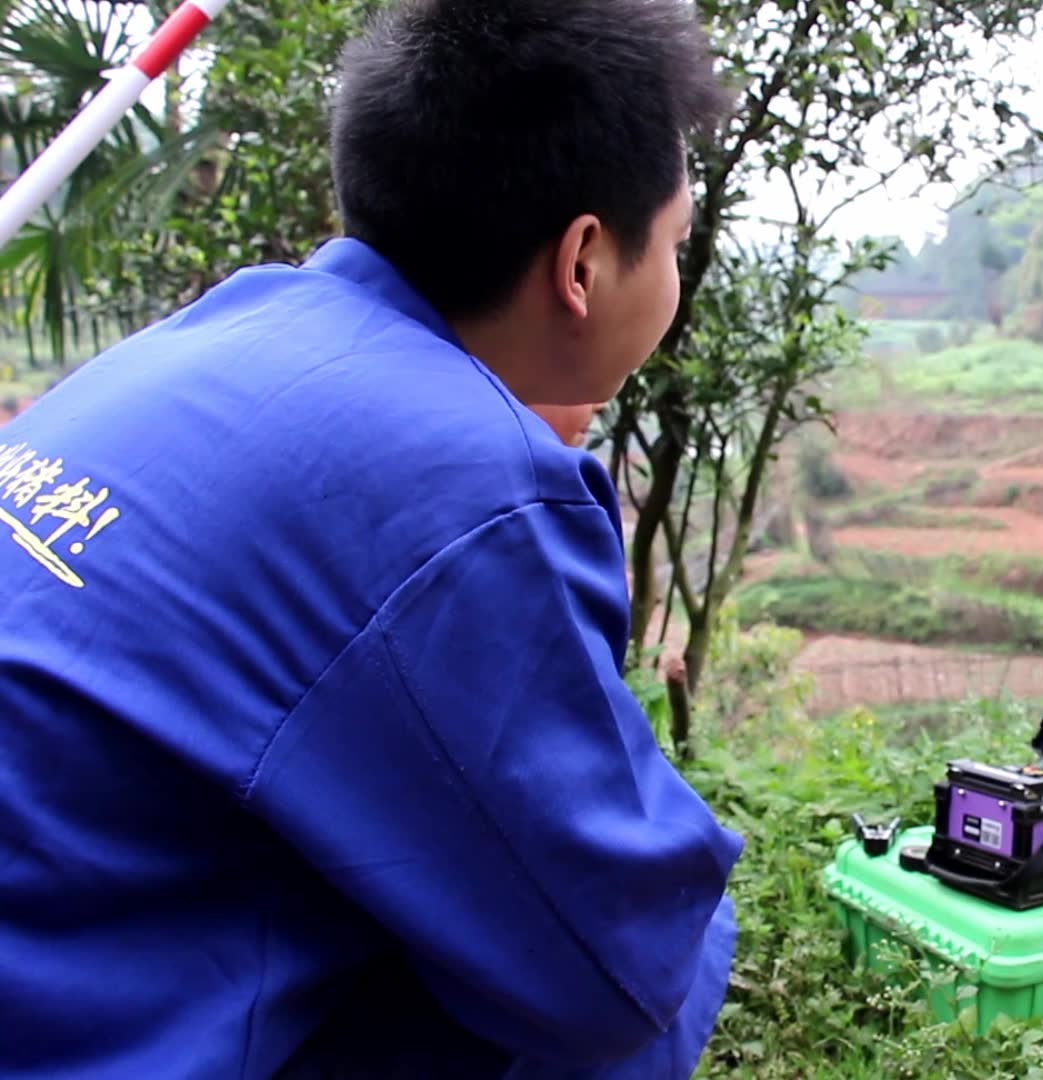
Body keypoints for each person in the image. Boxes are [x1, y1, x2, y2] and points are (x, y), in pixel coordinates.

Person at [0, 0, 743, 1076]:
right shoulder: (464, 489)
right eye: (674, 242)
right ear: (583, 262)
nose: (673, 276)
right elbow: (623, 975)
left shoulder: (228, 325)